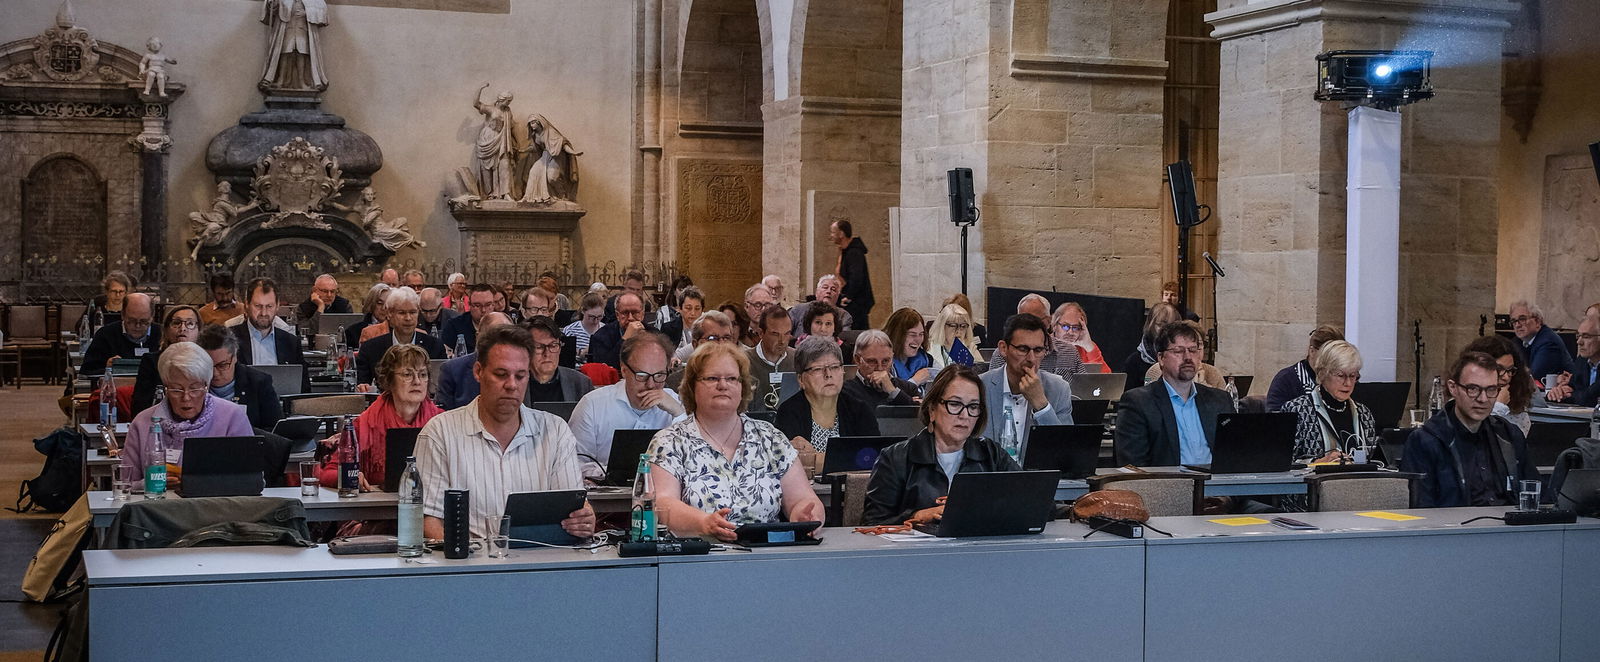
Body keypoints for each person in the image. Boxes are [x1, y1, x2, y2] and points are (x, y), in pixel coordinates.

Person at [416, 324, 596, 540]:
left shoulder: (556, 431)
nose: (511, 385)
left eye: (520, 376)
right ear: (478, 372)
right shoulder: (439, 434)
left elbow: (571, 507)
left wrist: (582, 518)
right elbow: (428, 521)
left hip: (540, 562)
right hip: (468, 566)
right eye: (501, 374)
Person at [648, 342, 826, 540]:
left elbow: (804, 498)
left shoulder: (771, 438)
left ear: (742, 387)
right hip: (698, 557)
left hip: (768, 556)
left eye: (732, 378)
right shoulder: (668, 442)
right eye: (712, 378)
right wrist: (704, 523)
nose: (723, 385)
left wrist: (806, 516)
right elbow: (663, 504)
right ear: (692, 386)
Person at [862, 366, 1018, 526]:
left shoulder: (992, 455)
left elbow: (1029, 501)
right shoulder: (895, 459)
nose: (964, 415)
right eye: (955, 404)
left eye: (973, 407)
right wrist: (917, 516)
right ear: (932, 410)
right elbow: (871, 525)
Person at [1403, 351, 1539, 508]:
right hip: (1454, 528)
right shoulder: (1426, 441)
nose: (1483, 399)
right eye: (1473, 389)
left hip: (1509, 526)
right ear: (1453, 388)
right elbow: (1420, 509)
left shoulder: (1509, 435)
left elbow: (1537, 493)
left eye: (1491, 390)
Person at [119, 342, 255, 490]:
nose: (186, 397)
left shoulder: (232, 416)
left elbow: (251, 480)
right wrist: (151, 484)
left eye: (195, 388)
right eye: (176, 390)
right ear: (165, 386)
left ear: (206, 386)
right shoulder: (142, 422)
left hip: (216, 509)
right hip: (158, 509)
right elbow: (125, 485)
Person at [317, 343, 443, 491]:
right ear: (390, 381)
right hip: (375, 507)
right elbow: (326, 472)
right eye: (407, 374)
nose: (417, 381)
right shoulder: (364, 424)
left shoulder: (442, 422)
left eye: (423, 374)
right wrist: (350, 476)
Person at [1114, 320, 1236, 466]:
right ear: (1161, 358)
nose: (1188, 358)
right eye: (1178, 351)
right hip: (1169, 485)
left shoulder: (1220, 400)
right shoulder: (1138, 403)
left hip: (1218, 484)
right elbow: (1134, 466)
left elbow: (1235, 454)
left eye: (1193, 350)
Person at [570, 331, 685, 480]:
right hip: (605, 498)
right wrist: (614, 473)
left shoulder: (676, 404)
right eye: (642, 376)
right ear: (624, 371)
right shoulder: (592, 405)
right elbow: (574, 464)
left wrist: (679, 413)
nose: (651, 385)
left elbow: (693, 461)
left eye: (659, 376)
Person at [981, 314, 1074, 458]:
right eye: (1023, 349)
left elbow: (1066, 452)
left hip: (1036, 477)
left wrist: (1042, 405)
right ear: (1004, 348)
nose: (1031, 359)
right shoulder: (980, 387)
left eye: (1038, 350)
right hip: (989, 476)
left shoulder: (1059, 389)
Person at [1280, 341, 1378, 463]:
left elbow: (1372, 458)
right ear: (1322, 374)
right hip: (1317, 481)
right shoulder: (1297, 410)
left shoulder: (1363, 413)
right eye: (1340, 375)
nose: (1347, 383)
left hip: (1358, 481)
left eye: (1353, 376)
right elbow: (1284, 463)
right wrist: (1321, 462)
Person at [776, 337, 880, 453]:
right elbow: (790, 462)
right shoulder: (789, 412)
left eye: (834, 367)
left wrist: (816, 458)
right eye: (818, 369)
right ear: (801, 379)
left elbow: (872, 456)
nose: (828, 374)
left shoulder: (859, 409)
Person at [195, 324, 281, 430]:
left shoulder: (259, 382)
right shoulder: (192, 384)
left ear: (235, 357)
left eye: (222, 365)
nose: (215, 373)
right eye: (207, 365)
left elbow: (274, 429)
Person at [355, 287, 446, 387]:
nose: (408, 318)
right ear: (389, 313)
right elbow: (363, 385)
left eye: (412, 312)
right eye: (402, 313)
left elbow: (440, 386)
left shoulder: (435, 346)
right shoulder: (370, 349)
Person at [131, 305, 201, 415]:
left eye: (190, 323)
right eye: (176, 323)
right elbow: (140, 405)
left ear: (199, 331)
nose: (183, 328)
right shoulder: (151, 361)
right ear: (166, 330)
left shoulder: (206, 361)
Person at [230, 279, 305, 381]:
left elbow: (303, 387)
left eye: (269, 306)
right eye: (258, 306)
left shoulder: (291, 343)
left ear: (277, 306)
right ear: (247, 305)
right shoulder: (230, 338)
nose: (263, 313)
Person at [436, 312, 513, 409]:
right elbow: (443, 415)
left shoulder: (522, 370)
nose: (501, 343)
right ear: (478, 337)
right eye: (495, 337)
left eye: (507, 338)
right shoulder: (452, 370)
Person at [1463, 334, 1536, 436]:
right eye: (1499, 369)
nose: (1506, 377)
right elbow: (1473, 440)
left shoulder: (1515, 404)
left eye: (1510, 370)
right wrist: (1498, 408)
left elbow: (1514, 445)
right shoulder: (1462, 400)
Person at [1266, 325, 1344, 411]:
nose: (1332, 362)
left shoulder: (1347, 380)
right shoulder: (1286, 379)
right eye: (1326, 355)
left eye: (1337, 357)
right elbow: (1274, 419)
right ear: (1312, 351)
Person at [81, 292, 158, 376]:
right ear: (123, 315)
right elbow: (86, 371)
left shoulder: (161, 334)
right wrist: (107, 368)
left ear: (152, 317)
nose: (137, 326)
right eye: (131, 321)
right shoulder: (105, 334)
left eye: (144, 322)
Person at [522, 316, 594, 404]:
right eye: (539, 347)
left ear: (559, 348)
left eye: (553, 345)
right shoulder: (516, 383)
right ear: (525, 350)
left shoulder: (581, 383)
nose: (547, 354)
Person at [841, 330, 919, 409]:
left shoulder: (909, 388)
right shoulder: (844, 391)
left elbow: (921, 417)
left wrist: (892, 391)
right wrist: (907, 401)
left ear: (892, 358)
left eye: (885, 361)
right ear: (857, 360)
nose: (880, 368)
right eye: (872, 361)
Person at [1121, 302, 1182, 391]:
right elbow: (1126, 397)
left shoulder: (1184, 358)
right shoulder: (1135, 361)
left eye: (1171, 325)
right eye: (1161, 325)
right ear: (1151, 325)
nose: (1166, 330)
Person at [668, 311, 736, 389]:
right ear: (695, 344)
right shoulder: (675, 384)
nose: (721, 344)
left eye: (726, 338)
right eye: (712, 338)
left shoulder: (741, 379)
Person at [746, 306, 794, 412]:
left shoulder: (796, 358)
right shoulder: (744, 361)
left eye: (786, 334)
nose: (782, 341)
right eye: (775, 334)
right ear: (761, 333)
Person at [1546, 315, 1600, 407]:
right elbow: (1572, 389)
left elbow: (1589, 398)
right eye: (1578, 335)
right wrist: (1557, 393)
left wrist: (1570, 395)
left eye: (1586, 336)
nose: (1579, 342)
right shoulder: (1581, 361)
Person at [1508, 300, 1568, 383]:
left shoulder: (1549, 342)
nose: (1517, 325)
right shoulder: (1517, 341)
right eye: (1514, 321)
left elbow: (1534, 377)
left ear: (1537, 321)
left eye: (1522, 319)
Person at [831, 219, 874, 330]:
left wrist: (849, 296)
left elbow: (857, 277)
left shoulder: (854, 253)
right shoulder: (846, 251)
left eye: (833, 232)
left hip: (856, 305)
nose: (831, 235)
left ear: (841, 234)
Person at [588, 291, 647, 370]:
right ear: (617, 315)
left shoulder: (654, 334)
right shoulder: (601, 336)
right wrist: (625, 339)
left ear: (642, 314)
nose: (630, 318)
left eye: (635, 312)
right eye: (625, 313)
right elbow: (605, 368)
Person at [440, 283, 497, 355]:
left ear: (494, 304)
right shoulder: (454, 326)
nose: (483, 310)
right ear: (469, 305)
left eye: (488, 305)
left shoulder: (503, 323)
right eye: (477, 305)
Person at [787, 275, 854, 335]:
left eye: (833, 289)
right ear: (816, 292)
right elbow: (786, 332)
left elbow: (844, 339)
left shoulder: (844, 316)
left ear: (837, 296)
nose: (828, 291)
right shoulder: (799, 309)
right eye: (825, 287)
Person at [1053, 302, 1109, 373]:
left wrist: (1089, 347)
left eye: (1075, 328)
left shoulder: (1086, 347)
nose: (1070, 332)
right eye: (1065, 326)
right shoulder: (1044, 344)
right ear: (1054, 326)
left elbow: (1106, 379)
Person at [883, 307, 932, 385]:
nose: (918, 340)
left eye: (921, 334)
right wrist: (915, 381)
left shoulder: (926, 359)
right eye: (912, 335)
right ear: (897, 335)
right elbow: (890, 394)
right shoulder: (882, 364)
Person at [927, 303, 979, 372]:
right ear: (942, 326)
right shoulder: (929, 349)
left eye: (963, 326)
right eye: (953, 325)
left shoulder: (971, 348)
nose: (958, 331)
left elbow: (980, 374)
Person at [562, 292, 607, 362]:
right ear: (583, 311)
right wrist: (580, 354)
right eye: (591, 317)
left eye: (599, 317)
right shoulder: (570, 330)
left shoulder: (606, 330)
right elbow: (565, 357)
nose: (595, 321)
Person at [345, 283, 390, 348]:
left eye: (388, 303)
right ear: (371, 303)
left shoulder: (398, 330)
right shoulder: (352, 332)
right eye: (379, 303)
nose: (383, 308)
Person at [665, 287, 704, 358]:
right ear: (680, 309)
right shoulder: (668, 329)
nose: (693, 313)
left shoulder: (707, 330)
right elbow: (666, 357)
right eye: (688, 308)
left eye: (697, 309)